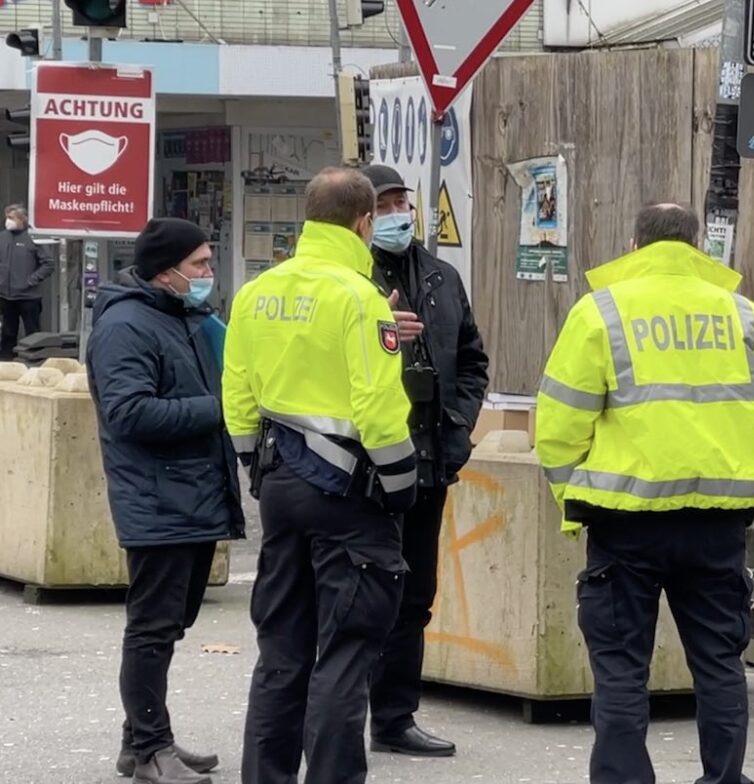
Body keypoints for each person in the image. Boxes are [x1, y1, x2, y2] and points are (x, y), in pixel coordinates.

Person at [535, 202, 754, 784]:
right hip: (717, 524)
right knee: (718, 666)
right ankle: (723, 778)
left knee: (622, 670)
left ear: (634, 245)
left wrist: (570, 501)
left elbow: (557, 427)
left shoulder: (600, 313)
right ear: (697, 247)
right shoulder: (745, 315)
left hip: (624, 521)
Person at [224, 167, 418, 784]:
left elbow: (237, 392)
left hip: (281, 485)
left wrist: (254, 461)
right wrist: (402, 483)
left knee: (281, 651)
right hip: (350, 496)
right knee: (346, 653)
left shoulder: (258, 291)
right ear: (363, 223)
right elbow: (379, 408)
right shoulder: (359, 298)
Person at [86, 217, 245, 784]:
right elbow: (129, 413)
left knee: (172, 622)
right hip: (157, 498)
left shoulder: (180, 316)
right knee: (152, 628)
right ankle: (153, 747)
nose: (207, 274)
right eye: (199, 264)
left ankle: (140, 744)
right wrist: (220, 408)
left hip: (191, 494)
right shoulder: (126, 325)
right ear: (166, 270)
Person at [362, 165, 489, 758]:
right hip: (366, 466)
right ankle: (339, 715)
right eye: (383, 205)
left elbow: (471, 359)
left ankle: (394, 718)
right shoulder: (351, 278)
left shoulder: (440, 276)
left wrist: (459, 425)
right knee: (364, 594)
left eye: (401, 203)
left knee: (416, 595)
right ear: (363, 215)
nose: (397, 215)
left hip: (430, 458)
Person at [0, 204, 53, 359]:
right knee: (7, 334)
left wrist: (31, 280)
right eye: (6, 217)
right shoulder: (2, 237)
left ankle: (36, 362)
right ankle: (6, 363)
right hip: (6, 296)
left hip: (29, 297)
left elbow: (49, 264)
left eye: (11, 217)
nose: (7, 221)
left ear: (22, 219)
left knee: (33, 334)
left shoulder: (34, 237)